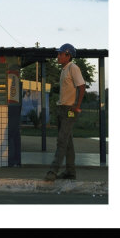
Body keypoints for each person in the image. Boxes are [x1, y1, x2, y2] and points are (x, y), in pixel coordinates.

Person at [45, 43, 86, 181]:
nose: (58, 56)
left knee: (62, 140)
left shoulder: (73, 68)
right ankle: (70, 172)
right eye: (58, 53)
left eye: (60, 53)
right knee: (68, 142)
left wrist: (77, 106)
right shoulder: (64, 70)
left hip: (70, 110)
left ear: (68, 56)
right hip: (62, 109)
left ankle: (53, 171)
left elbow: (82, 86)